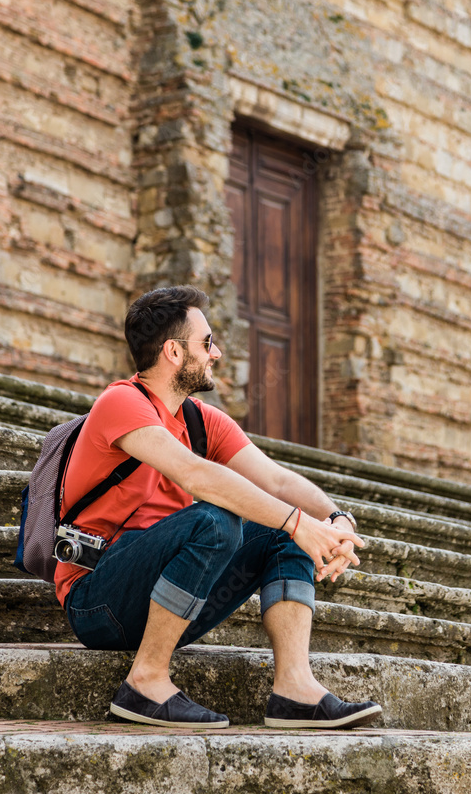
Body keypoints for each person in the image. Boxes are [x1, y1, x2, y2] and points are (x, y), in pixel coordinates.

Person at [58, 285, 381, 729]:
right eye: (206, 342)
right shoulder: (122, 403)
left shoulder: (201, 419)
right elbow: (195, 474)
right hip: (97, 601)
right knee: (216, 520)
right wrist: (298, 522)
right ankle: (145, 681)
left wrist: (335, 520)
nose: (218, 353)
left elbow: (278, 481)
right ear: (173, 351)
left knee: (279, 532)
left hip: (162, 597)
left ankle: (295, 689)